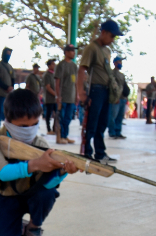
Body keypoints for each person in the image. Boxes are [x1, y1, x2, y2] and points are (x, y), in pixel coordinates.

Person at [0, 88, 79, 236]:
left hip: (33, 195)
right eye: (23, 126)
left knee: (47, 194)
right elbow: (3, 173)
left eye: (35, 124)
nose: (29, 129)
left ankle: (33, 228)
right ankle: (16, 224)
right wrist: (35, 164)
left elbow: (49, 186)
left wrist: (62, 172)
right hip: (7, 197)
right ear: (8, 120)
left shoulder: (40, 144)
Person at [77, 20, 123, 163]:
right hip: (95, 90)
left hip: (105, 91)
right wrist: (81, 92)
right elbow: (82, 69)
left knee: (102, 123)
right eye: (111, 36)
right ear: (103, 32)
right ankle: (86, 152)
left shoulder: (106, 51)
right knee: (92, 123)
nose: (112, 39)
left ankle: (100, 153)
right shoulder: (92, 48)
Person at [53, 44, 78, 144]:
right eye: (71, 51)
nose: (73, 53)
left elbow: (75, 82)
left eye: (74, 51)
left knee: (68, 118)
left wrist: (77, 95)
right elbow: (57, 82)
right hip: (63, 97)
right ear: (66, 52)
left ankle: (65, 136)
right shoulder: (61, 65)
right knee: (61, 117)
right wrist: (58, 96)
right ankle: (61, 136)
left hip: (71, 97)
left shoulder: (74, 66)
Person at [0, 47, 14, 129]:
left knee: (9, 113)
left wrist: (11, 88)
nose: (8, 56)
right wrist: (6, 87)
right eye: (7, 54)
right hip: (1, 94)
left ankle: (8, 129)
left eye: (10, 54)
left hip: (9, 95)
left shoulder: (10, 66)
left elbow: (13, 78)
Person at [108, 56, 128, 139]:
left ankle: (118, 132)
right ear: (115, 63)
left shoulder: (122, 75)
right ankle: (112, 132)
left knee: (120, 117)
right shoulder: (112, 73)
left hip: (123, 98)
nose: (120, 63)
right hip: (116, 98)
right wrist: (115, 97)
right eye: (119, 61)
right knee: (113, 116)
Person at [42, 59, 57, 135]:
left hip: (55, 99)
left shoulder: (54, 74)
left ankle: (55, 129)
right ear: (49, 65)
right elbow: (48, 87)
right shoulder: (47, 75)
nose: (54, 65)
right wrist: (55, 94)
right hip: (49, 99)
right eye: (53, 64)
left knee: (57, 114)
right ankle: (49, 129)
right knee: (48, 114)